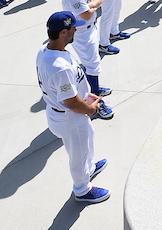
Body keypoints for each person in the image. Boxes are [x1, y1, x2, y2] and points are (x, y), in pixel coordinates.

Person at [36, 11, 110, 204]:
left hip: (67, 112)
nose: (76, 29)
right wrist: (91, 108)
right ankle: (82, 189)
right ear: (63, 32)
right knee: (78, 153)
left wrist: (86, 95)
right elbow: (71, 102)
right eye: (72, 27)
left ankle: (89, 168)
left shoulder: (46, 50)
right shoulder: (58, 67)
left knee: (88, 138)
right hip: (70, 117)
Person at [61, 0, 115, 114]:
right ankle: (95, 102)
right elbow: (85, 14)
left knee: (92, 63)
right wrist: (91, 5)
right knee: (92, 65)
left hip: (91, 28)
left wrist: (91, 4)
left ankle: (95, 88)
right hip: (82, 33)